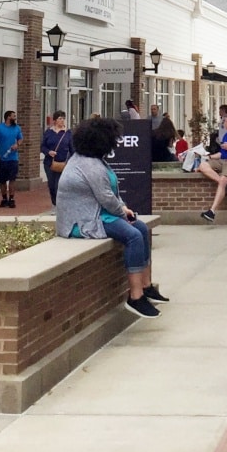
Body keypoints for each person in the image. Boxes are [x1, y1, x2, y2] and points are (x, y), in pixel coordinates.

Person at [56, 116, 168, 318]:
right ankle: (135, 297)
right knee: (133, 235)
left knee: (142, 229)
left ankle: (146, 285)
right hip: (83, 221)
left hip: (100, 213)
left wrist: (124, 208)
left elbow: (111, 192)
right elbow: (106, 197)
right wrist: (122, 211)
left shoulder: (94, 160)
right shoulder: (89, 164)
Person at [0, 110, 23, 208]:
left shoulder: (17, 128)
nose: (15, 118)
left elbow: (20, 139)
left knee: (12, 179)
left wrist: (17, 144)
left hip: (13, 158)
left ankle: (12, 198)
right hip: (2, 158)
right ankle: (4, 198)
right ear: (8, 117)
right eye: (13, 116)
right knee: (2, 180)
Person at [40, 111, 73, 207]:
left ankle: (59, 205)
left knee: (58, 184)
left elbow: (72, 149)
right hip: (49, 163)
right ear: (55, 120)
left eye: (63, 118)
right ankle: (54, 203)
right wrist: (48, 152)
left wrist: (71, 161)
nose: (62, 120)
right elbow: (42, 146)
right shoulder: (49, 132)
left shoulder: (68, 133)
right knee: (51, 185)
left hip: (63, 163)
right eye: (60, 118)